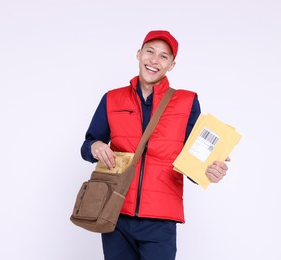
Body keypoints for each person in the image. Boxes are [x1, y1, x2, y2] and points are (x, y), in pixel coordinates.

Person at [81, 30, 229, 260]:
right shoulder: (112, 98)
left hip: (161, 219)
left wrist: (210, 171)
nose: (154, 61)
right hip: (114, 212)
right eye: (150, 52)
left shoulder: (187, 101)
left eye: (164, 56)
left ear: (172, 65)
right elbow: (87, 145)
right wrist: (95, 146)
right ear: (139, 54)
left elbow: (194, 161)